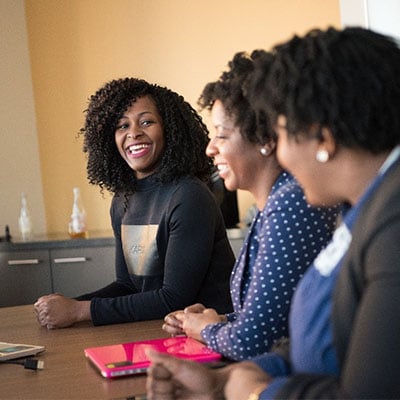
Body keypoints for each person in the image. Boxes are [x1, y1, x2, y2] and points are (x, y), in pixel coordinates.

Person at [146, 26, 400, 399]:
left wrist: (258, 393)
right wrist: (228, 379)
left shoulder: (392, 222)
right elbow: (324, 335)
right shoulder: (363, 209)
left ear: (323, 138)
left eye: (280, 134)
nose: (280, 155)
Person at [161, 51, 338, 361]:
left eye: (221, 135)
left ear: (265, 139)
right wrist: (212, 322)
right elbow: (274, 319)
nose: (210, 148)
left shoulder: (290, 204)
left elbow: (253, 343)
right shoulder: (273, 204)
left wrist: (206, 331)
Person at [34, 77, 235, 329]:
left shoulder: (188, 195)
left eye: (147, 122)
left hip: (209, 338)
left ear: (169, 129)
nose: (133, 133)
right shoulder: (123, 199)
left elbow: (173, 298)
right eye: (122, 126)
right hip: (154, 329)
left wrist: (79, 311)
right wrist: (70, 305)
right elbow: (128, 286)